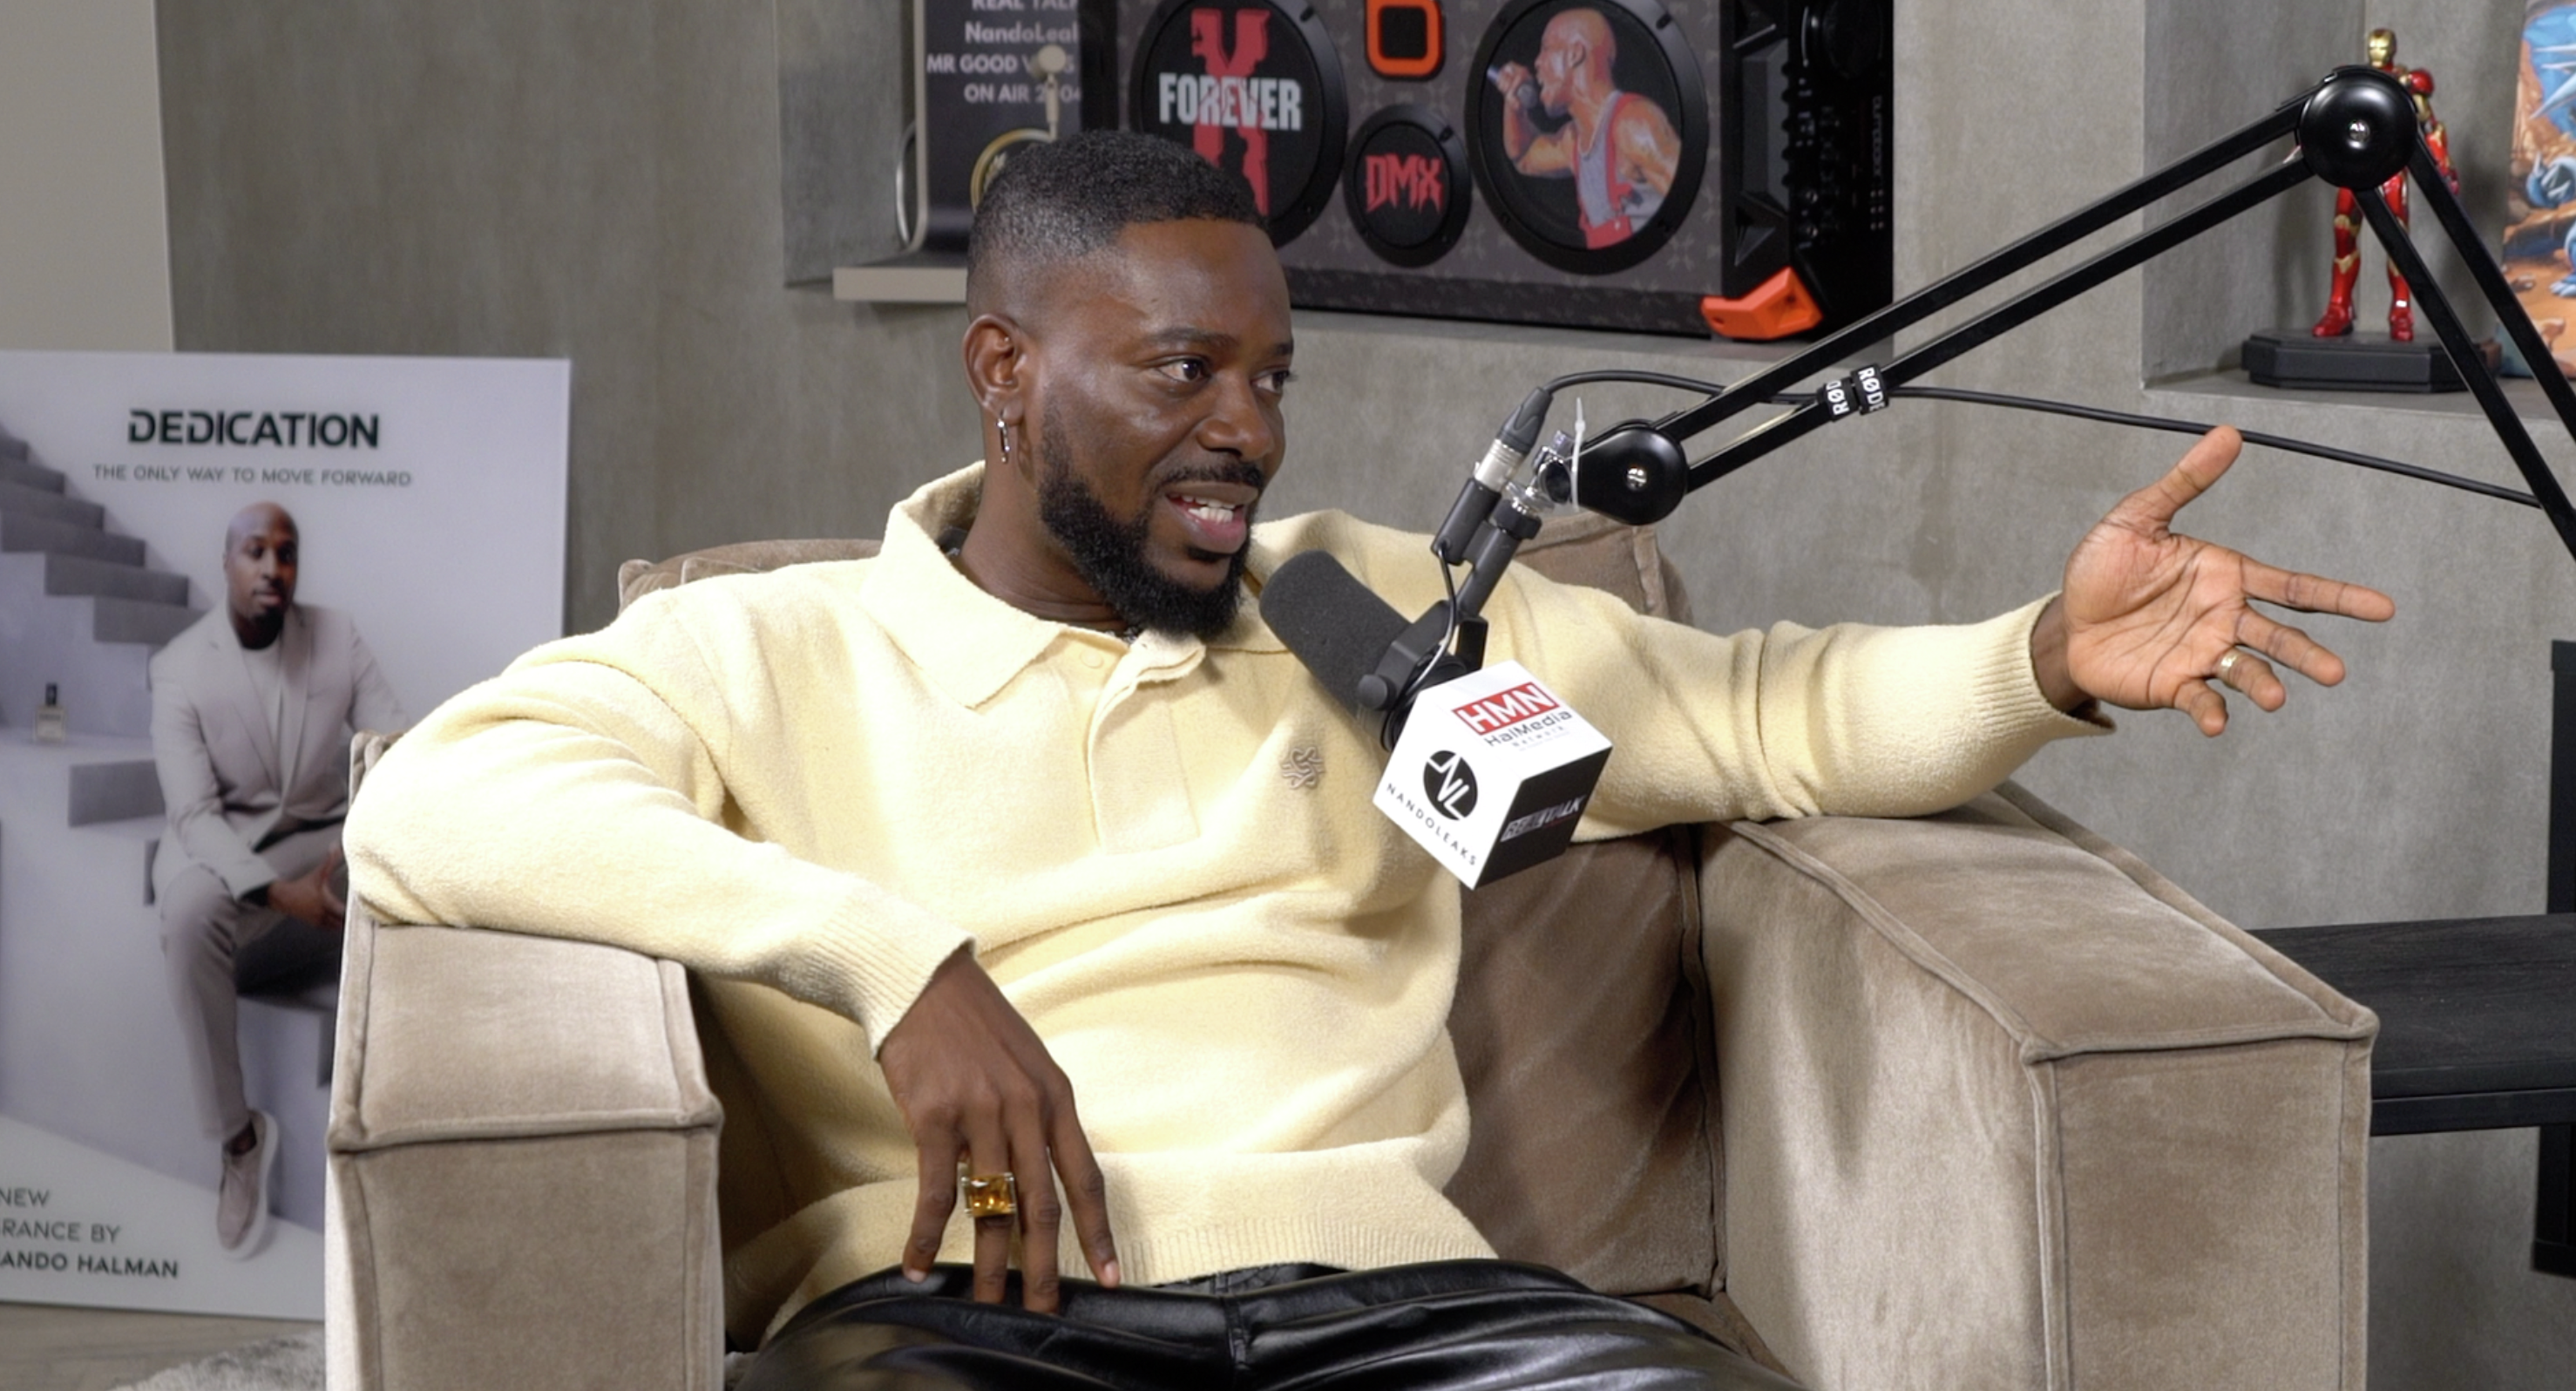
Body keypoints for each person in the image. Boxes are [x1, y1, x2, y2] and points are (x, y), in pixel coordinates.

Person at [347, 132, 2392, 1389]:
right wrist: (887, 959)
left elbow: (1770, 711)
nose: (1247, 429)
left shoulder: (1376, 610)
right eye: (1181, 371)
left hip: (1418, 1314)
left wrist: (2043, 654)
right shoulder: (770, 651)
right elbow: (433, 803)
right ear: (1003, 374)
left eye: (1270, 374)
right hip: (970, 1325)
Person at [152, 501, 405, 1256]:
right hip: (232, 852)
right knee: (187, 912)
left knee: (410, 855)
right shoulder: (179, 668)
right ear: (227, 564)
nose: (272, 567)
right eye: (255, 552)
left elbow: (391, 740)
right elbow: (194, 816)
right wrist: (276, 893)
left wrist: (388, 811)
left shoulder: (335, 635)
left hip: (325, 838)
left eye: (285, 553)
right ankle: (239, 1142)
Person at [1488, 7, 1683, 248]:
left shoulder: (1635, 125)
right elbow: (1523, 156)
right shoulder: (1573, 140)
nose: (1536, 62)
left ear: (1575, 54)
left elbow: (1696, 210)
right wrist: (1515, 106)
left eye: (1546, 48)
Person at [2312, 26, 2458, 338]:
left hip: (2391, 168)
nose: (2377, 52)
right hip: (2353, 168)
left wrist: (2444, 166)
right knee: (2344, 235)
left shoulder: (2407, 83)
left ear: (2392, 49)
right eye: (2373, 47)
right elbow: (2328, 120)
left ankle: (2401, 311)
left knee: (2398, 243)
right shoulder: (2351, 80)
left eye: (2383, 47)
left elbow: (2430, 126)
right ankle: (2339, 307)